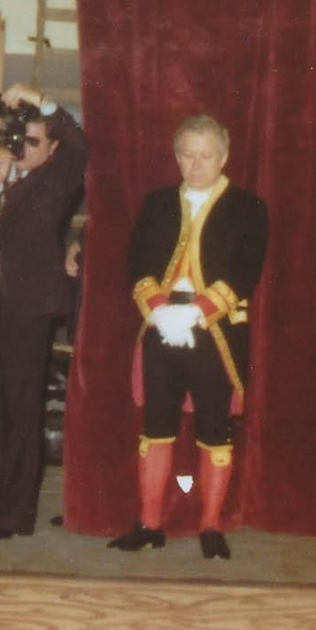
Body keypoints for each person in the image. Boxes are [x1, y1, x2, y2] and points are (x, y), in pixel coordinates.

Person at [110, 114, 268, 560]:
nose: (196, 164)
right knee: (155, 427)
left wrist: (196, 313)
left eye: (205, 155)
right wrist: (162, 312)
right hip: (161, 329)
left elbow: (243, 272)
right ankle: (149, 523)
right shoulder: (157, 203)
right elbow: (138, 264)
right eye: (188, 155)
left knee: (214, 430)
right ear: (177, 157)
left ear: (223, 157)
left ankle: (211, 526)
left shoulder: (248, 207)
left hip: (214, 333)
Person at [0, 84, 87, 540]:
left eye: (34, 142)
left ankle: (13, 514)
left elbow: (80, 144)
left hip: (26, 306)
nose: (23, 150)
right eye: (19, 140)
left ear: (51, 148)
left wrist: (45, 100)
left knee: (20, 407)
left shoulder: (55, 178)